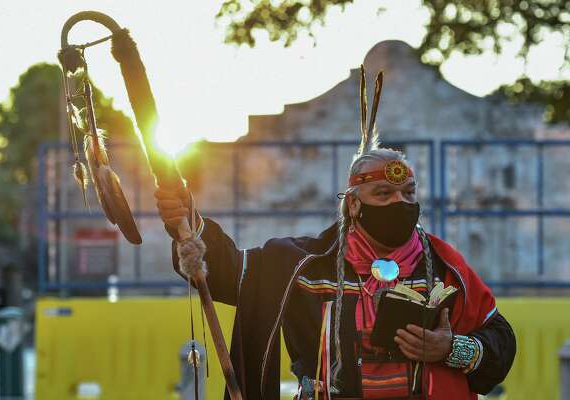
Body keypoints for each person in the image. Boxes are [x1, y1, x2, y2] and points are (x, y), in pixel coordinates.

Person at [155, 70, 516, 400]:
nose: (400, 202)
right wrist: (187, 220)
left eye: (409, 193)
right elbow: (228, 270)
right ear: (355, 206)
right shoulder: (304, 266)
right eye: (384, 195)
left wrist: (450, 348)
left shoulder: (444, 267)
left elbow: (500, 339)